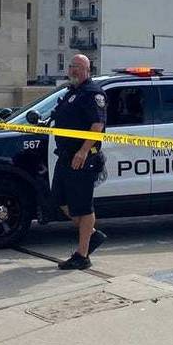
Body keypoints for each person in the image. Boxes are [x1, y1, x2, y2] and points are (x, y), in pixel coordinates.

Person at [51, 54, 107, 270]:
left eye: (76, 67)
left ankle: (82, 255)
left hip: (83, 157)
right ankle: (91, 235)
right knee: (59, 199)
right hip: (65, 155)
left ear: (87, 69)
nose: (72, 70)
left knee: (83, 206)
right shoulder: (72, 92)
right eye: (71, 66)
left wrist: (83, 152)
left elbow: (97, 126)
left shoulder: (93, 94)